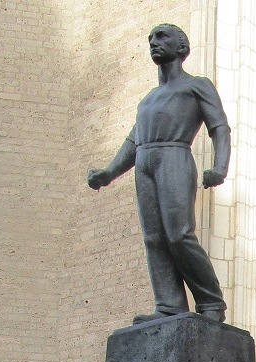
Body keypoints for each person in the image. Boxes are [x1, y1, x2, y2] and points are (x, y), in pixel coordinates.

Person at [87, 24, 230, 324]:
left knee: (179, 234)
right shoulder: (148, 99)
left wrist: (220, 166)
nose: (153, 42)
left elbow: (219, 128)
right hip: (145, 162)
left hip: (174, 156)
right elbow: (133, 140)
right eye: (150, 38)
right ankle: (169, 304)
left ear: (182, 47)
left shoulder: (197, 86)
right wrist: (110, 172)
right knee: (154, 238)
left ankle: (210, 301)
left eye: (162, 37)